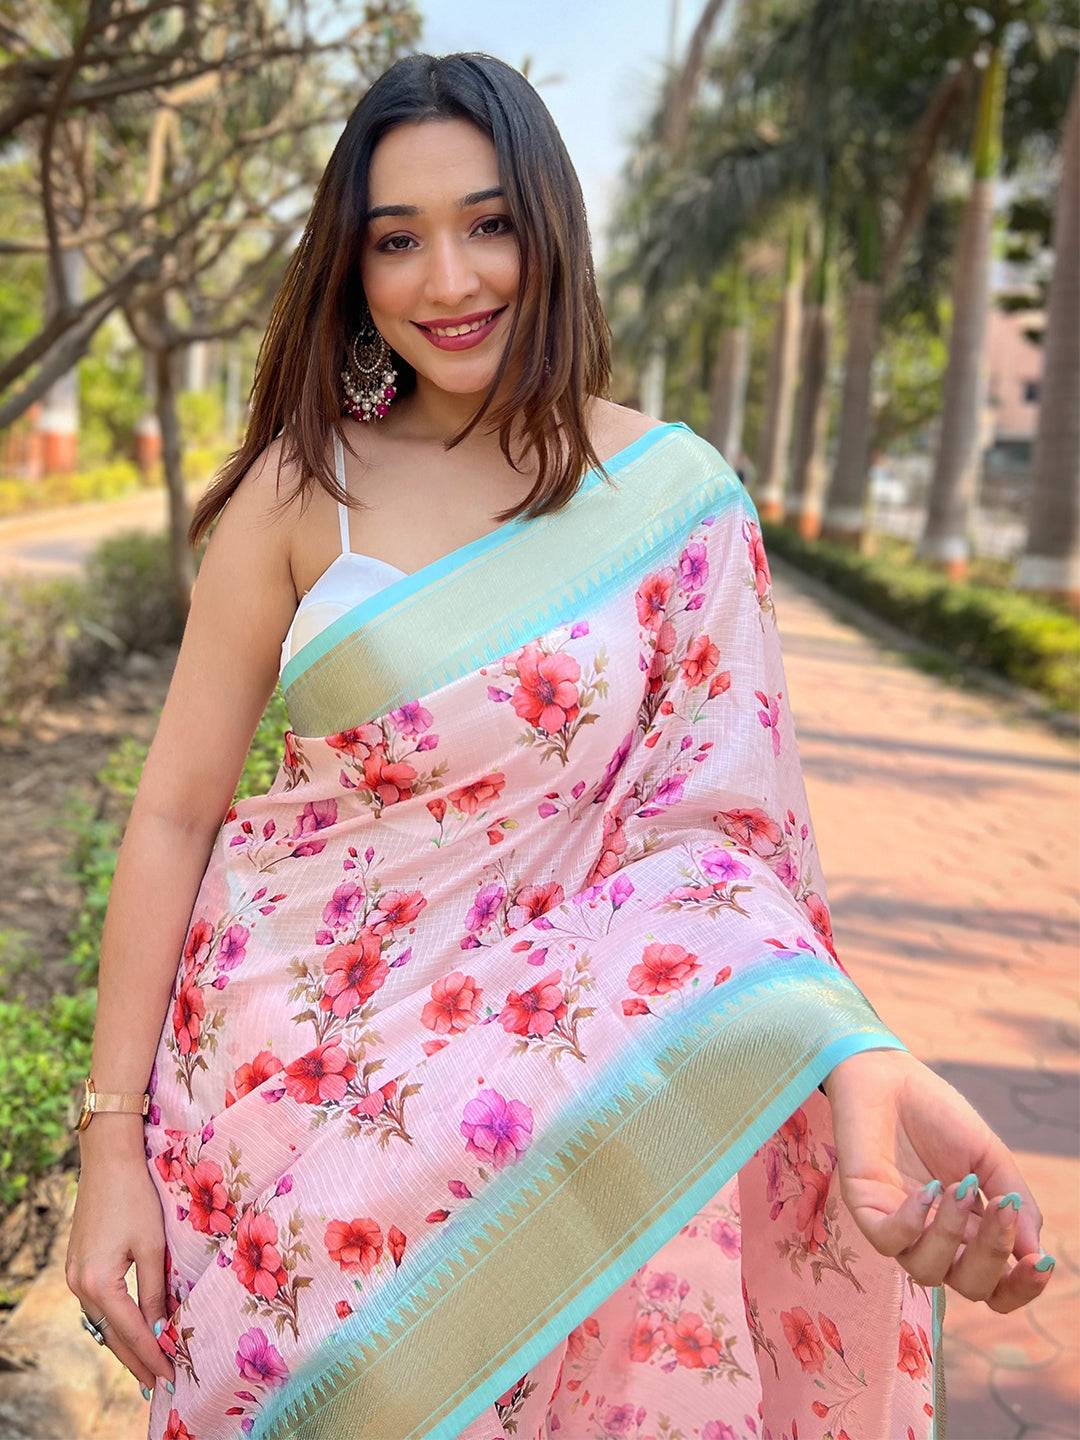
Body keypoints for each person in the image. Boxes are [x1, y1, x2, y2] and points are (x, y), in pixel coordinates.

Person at [64, 51, 1052, 1440]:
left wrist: (847, 1050)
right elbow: (174, 814)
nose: (448, 280)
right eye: (395, 241)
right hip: (272, 1106)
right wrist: (110, 1139)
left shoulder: (674, 504)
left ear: (551, 229)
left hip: (538, 1105)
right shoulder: (303, 489)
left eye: (489, 225)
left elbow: (725, 854)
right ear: (351, 270)